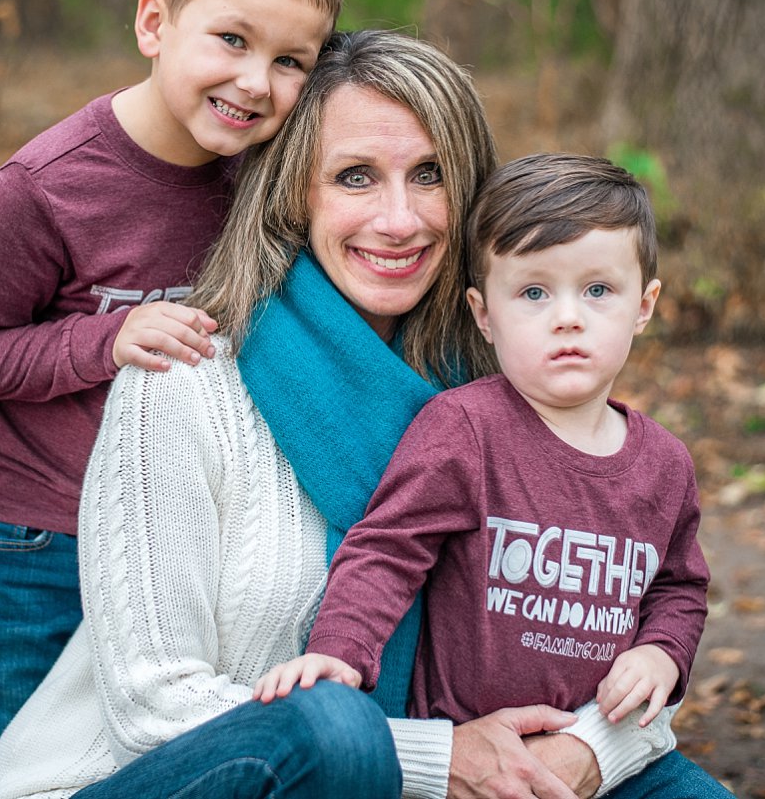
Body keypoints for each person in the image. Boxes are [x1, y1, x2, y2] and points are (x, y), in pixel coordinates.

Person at [0, 32, 727, 799]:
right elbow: (151, 705)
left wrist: (587, 751)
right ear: (296, 191)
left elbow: (602, 619)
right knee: (332, 727)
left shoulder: (516, 390)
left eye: (430, 175)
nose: (398, 220)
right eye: (356, 176)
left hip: (432, 775)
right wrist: (440, 760)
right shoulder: (186, 377)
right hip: (139, 779)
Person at [0, 0, 342, 799]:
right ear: (155, 22)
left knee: (130, 759)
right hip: (29, 531)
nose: (255, 81)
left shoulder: (262, 179)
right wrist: (105, 338)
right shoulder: (48, 186)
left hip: (174, 540)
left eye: (289, 61)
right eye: (231, 38)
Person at [254, 154, 718, 792]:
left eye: (598, 290)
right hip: (471, 759)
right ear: (483, 313)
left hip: (608, 755)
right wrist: (339, 653)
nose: (567, 316)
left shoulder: (664, 464)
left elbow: (679, 586)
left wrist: (661, 650)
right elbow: (388, 548)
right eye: (533, 292)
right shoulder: (466, 429)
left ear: (644, 304)